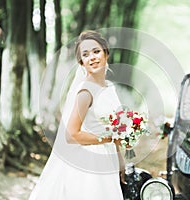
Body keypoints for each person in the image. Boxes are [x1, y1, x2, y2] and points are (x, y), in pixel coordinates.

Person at [29, 30, 125, 200]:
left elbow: (115, 131)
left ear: (106, 53)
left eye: (96, 51)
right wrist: (107, 138)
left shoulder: (109, 88)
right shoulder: (86, 92)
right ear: (82, 62)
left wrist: (120, 162)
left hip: (107, 158)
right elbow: (72, 135)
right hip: (89, 163)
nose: (92, 57)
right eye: (86, 55)